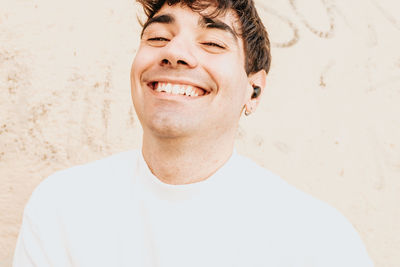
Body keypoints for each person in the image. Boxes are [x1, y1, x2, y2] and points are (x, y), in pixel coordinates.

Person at [13, 0, 373, 266]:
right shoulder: (62, 208)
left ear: (255, 91)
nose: (175, 52)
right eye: (157, 37)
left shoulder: (319, 242)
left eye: (213, 43)